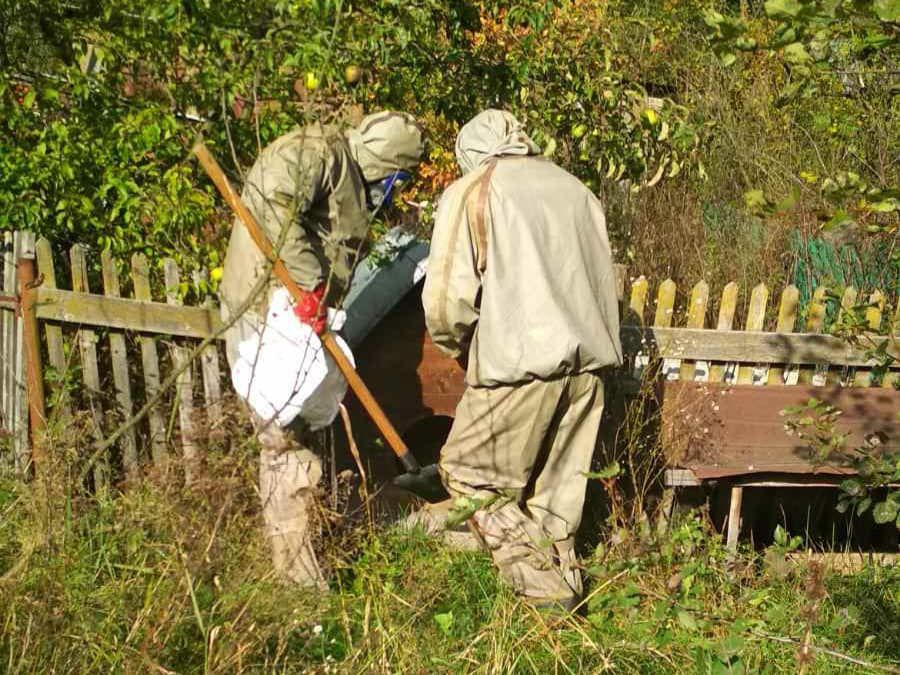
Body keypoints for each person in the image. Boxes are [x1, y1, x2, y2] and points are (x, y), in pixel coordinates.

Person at [422, 109, 622, 610]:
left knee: (469, 477)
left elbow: (446, 300)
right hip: (589, 370)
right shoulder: (576, 190)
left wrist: (461, 348)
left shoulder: (474, 190)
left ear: (470, 153)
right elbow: (603, 283)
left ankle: (546, 593)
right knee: (556, 507)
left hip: (519, 368)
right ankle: (562, 627)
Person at [220, 111, 425, 588]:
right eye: (399, 178)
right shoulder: (322, 153)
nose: (397, 191)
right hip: (269, 322)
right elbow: (273, 203)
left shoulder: (347, 174)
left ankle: (310, 568)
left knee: (298, 448)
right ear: (386, 164)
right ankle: (301, 594)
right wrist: (310, 287)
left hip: (290, 321)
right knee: (286, 451)